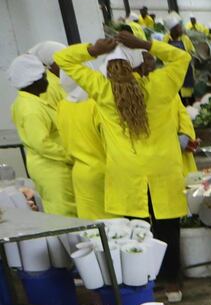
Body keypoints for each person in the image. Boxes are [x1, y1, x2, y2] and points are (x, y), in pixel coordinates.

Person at [58, 32, 188, 282]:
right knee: (167, 229)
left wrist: (93, 50)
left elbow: (63, 59)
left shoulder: (102, 91)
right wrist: (144, 43)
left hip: (126, 174)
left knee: (135, 232)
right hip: (163, 170)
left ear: (107, 68)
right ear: (140, 62)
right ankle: (171, 283)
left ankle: (141, 281)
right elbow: (181, 57)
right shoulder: (161, 85)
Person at [8, 55, 74, 215]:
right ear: (33, 81)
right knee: (63, 213)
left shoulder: (32, 102)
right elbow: (42, 144)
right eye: (44, 77)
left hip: (54, 164)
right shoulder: (31, 109)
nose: (47, 81)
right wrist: (71, 155)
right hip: (51, 168)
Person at [55, 60, 105, 218]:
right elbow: (109, 141)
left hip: (79, 172)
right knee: (113, 228)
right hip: (103, 172)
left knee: (91, 227)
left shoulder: (62, 106)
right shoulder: (95, 105)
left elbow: (63, 139)